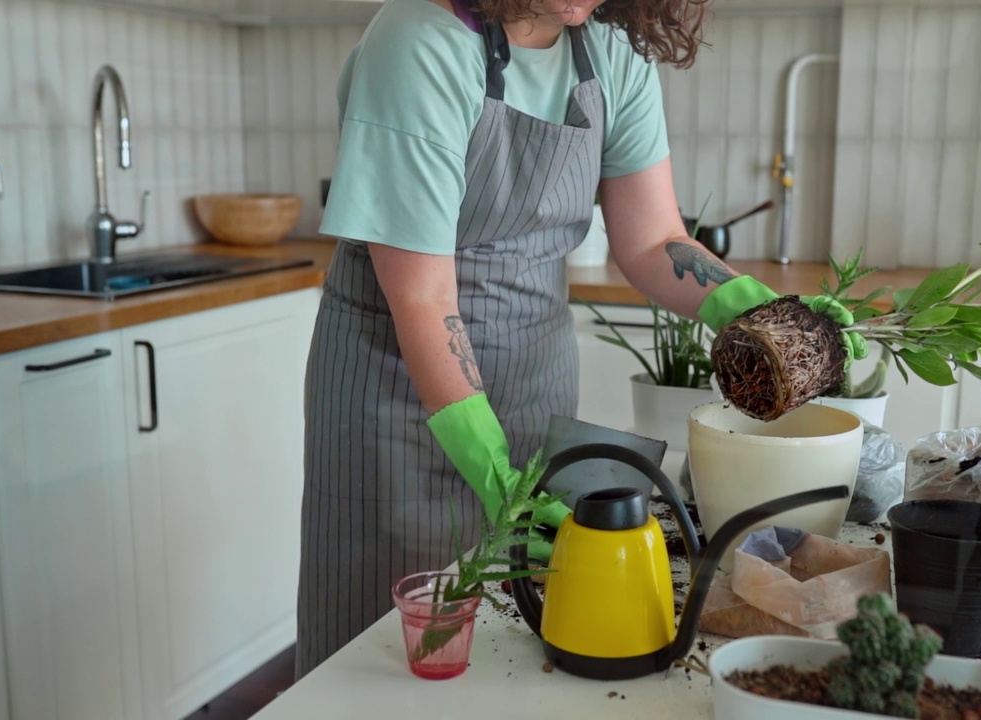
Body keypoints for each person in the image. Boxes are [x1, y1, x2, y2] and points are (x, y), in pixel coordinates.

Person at [297, 0, 860, 678]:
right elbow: (421, 293)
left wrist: (762, 310)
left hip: (533, 368)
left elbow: (654, 240)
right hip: (395, 389)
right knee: (391, 648)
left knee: (526, 630)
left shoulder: (611, 51)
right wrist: (494, 471)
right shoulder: (419, 42)